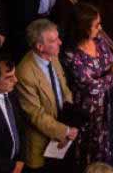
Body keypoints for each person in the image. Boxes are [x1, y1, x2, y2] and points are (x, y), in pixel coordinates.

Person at [60, 3, 113, 165]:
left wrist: (107, 78)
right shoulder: (70, 54)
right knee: (85, 156)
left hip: (103, 109)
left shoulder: (99, 41)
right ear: (83, 28)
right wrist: (112, 76)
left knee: (102, 150)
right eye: (96, 25)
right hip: (85, 113)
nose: (100, 28)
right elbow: (92, 89)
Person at [15, 18, 78, 170]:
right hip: (41, 146)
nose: (60, 43)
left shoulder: (53, 56)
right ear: (40, 46)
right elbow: (36, 115)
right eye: (54, 40)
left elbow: (64, 88)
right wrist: (65, 131)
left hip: (61, 135)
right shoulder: (24, 73)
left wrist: (69, 116)